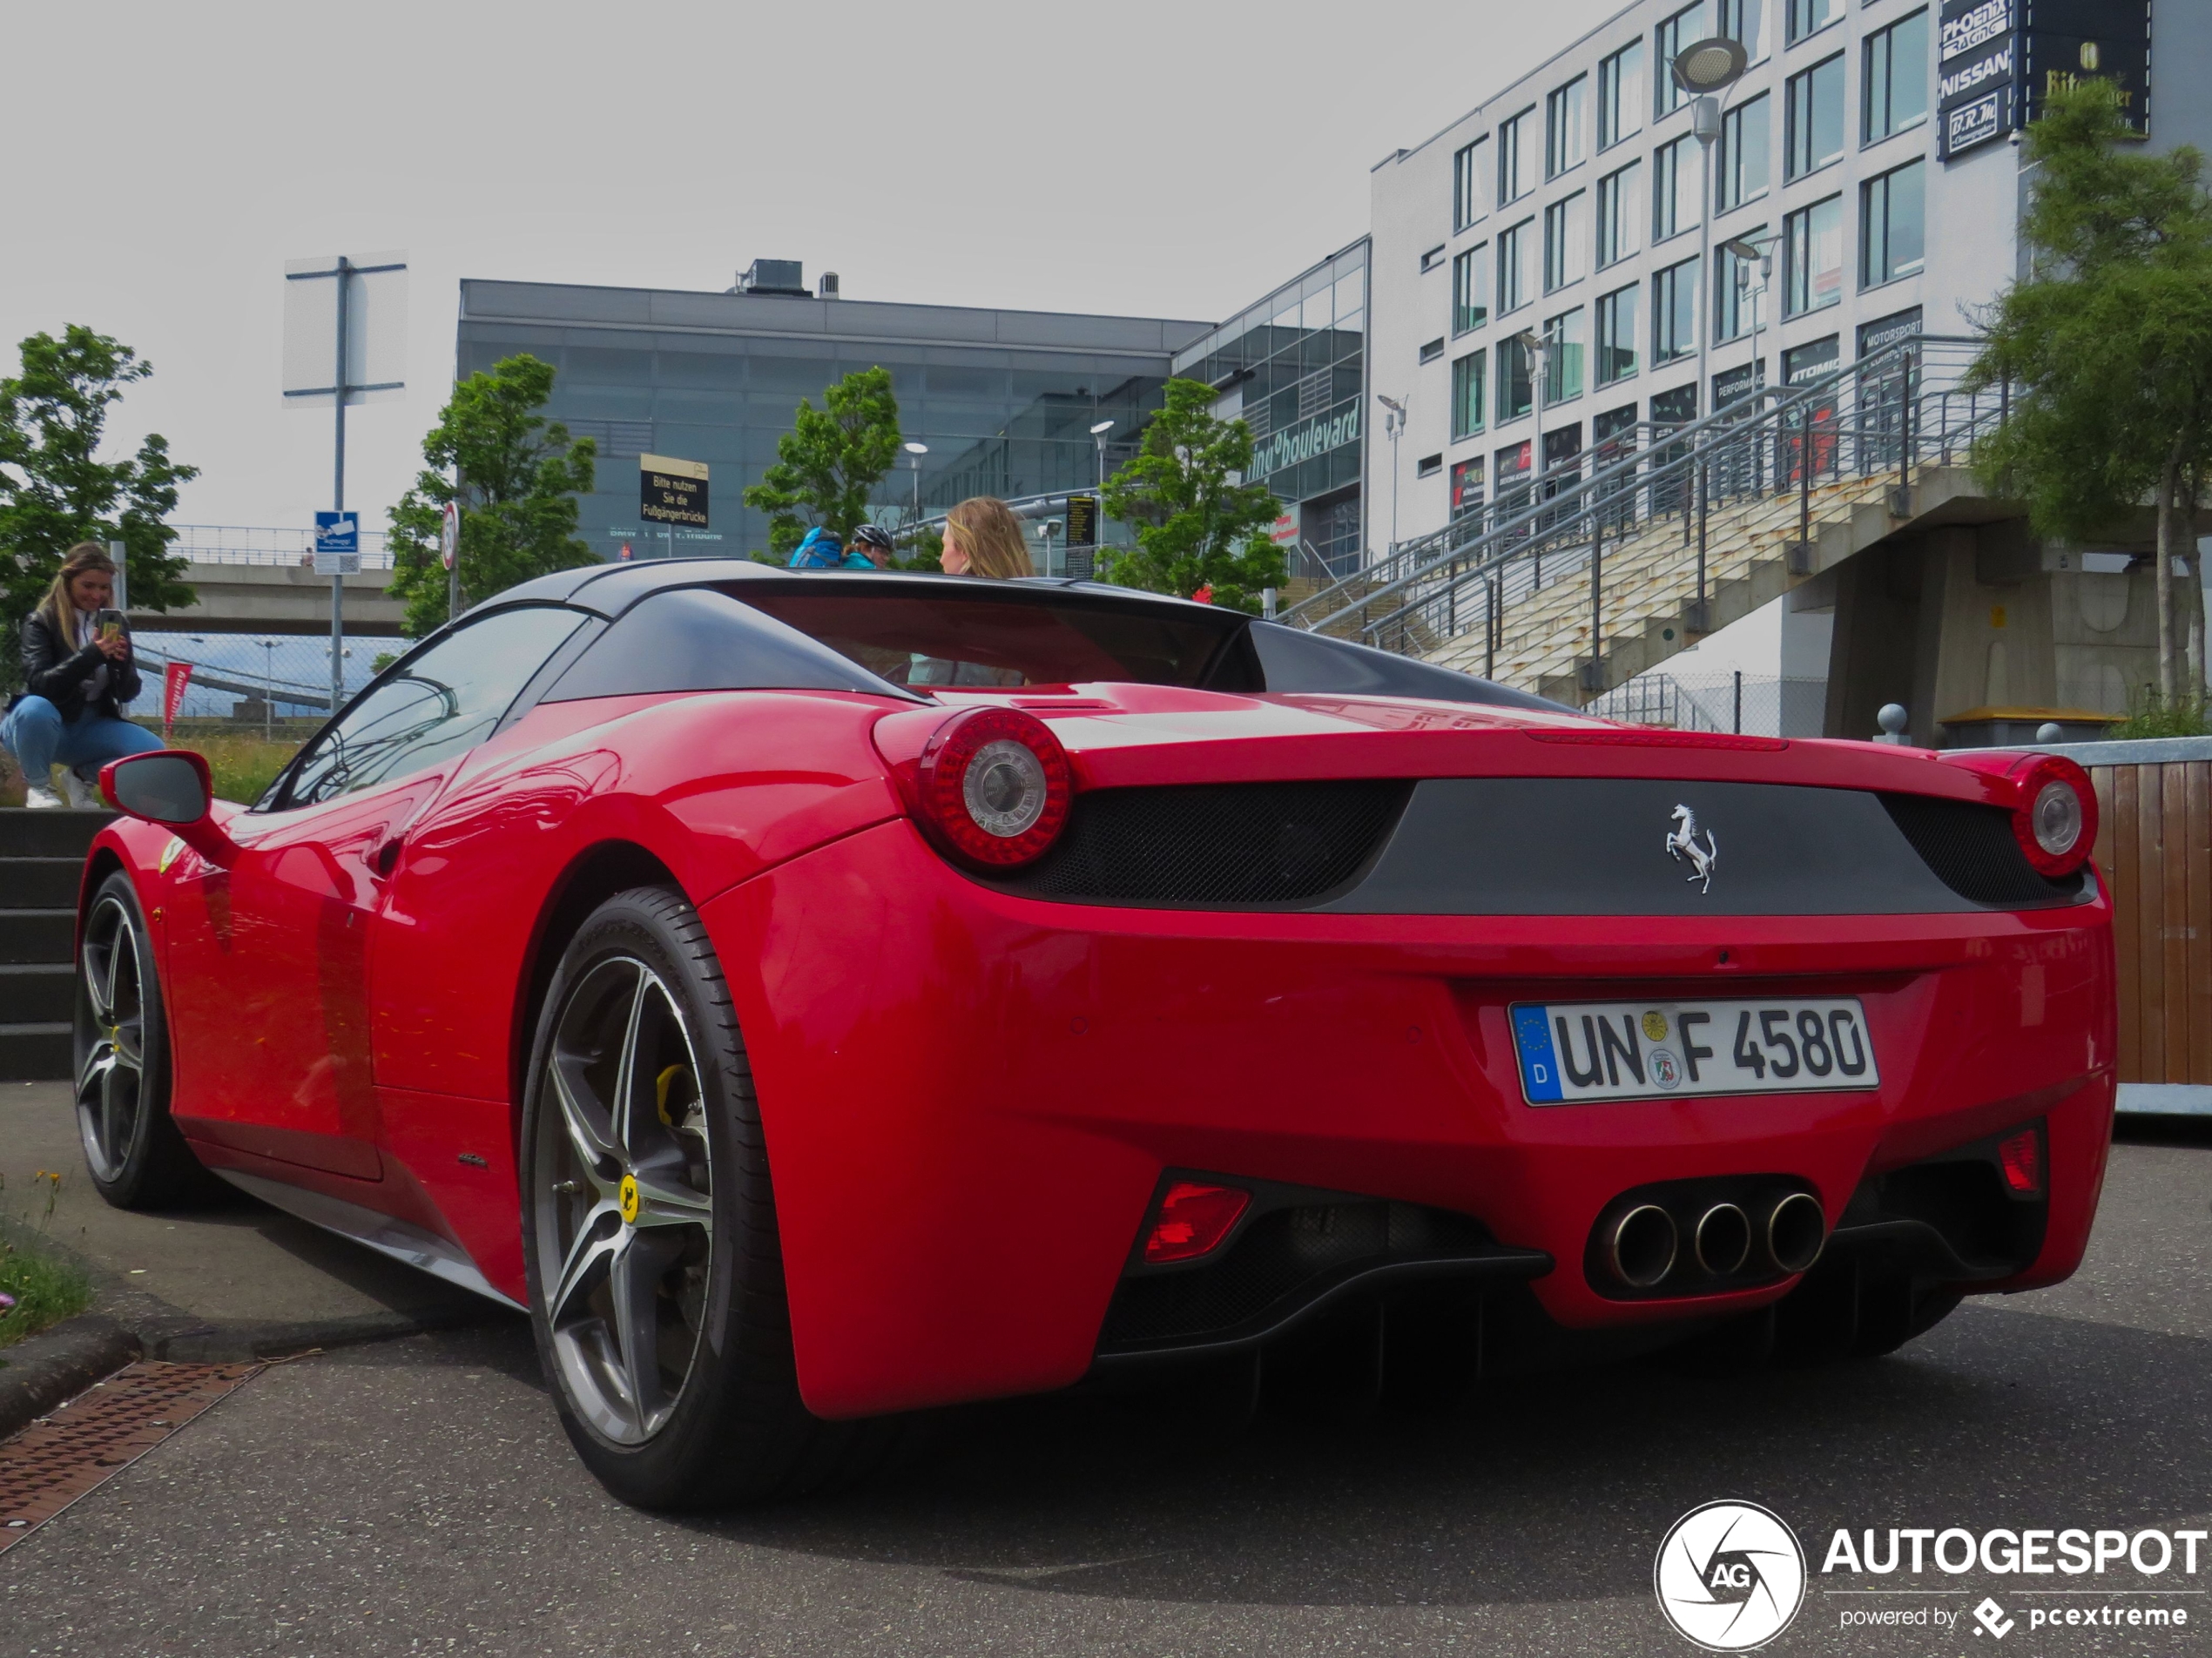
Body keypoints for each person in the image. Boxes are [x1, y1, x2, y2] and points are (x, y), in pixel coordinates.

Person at [3, 543, 163, 809]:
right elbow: (40, 684)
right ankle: (39, 788)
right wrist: (92, 654)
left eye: (104, 588)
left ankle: (80, 777)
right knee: (35, 708)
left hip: (88, 726)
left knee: (153, 752)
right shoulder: (41, 621)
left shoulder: (114, 624)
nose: (96, 595)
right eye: (88, 586)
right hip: (35, 727)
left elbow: (127, 693)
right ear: (67, 582)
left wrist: (120, 664)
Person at [940, 497, 1035, 579]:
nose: (941, 560)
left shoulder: (943, 598)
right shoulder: (1038, 596)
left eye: (944, 545)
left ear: (965, 551)